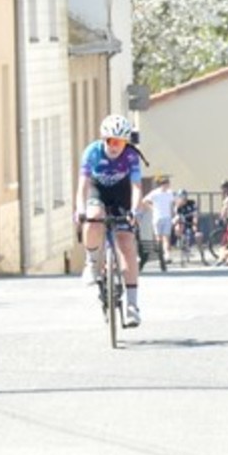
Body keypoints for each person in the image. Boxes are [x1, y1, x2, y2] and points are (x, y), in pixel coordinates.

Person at [77, 113, 143, 326]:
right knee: (94, 218)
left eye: (120, 142)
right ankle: (91, 263)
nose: (115, 146)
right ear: (103, 139)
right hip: (98, 190)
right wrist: (80, 209)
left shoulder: (131, 156)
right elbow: (83, 186)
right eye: (111, 141)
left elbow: (136, 187)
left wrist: (134, 211)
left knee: (126, 242)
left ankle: (132, 305)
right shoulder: (92, 152)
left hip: (122, 193)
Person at [141, 176, 176, 265]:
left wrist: (172, 214)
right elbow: (144, 201)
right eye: (167, 184)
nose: (168, 185)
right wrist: (152, 208)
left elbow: (171, 204)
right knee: (158, 237)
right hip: (157, 217)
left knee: (166, 237)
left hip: (167, 217)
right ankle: (160, 254)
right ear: (162, 184)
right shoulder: (155, 193)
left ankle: (167, 256)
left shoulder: (169, 193)